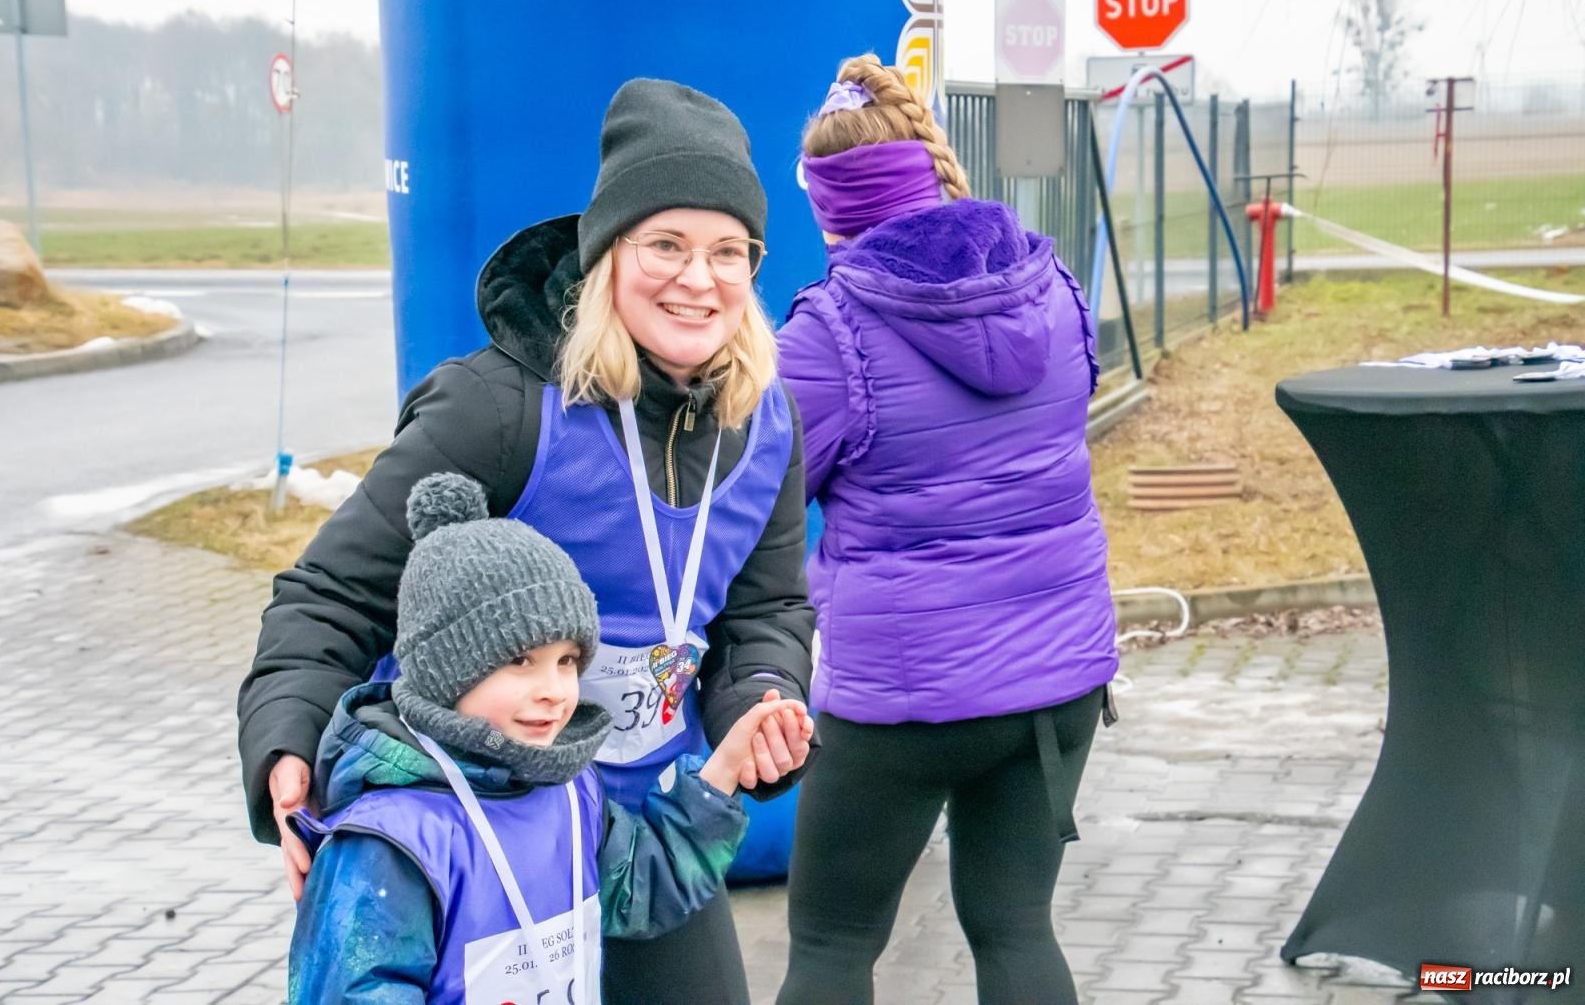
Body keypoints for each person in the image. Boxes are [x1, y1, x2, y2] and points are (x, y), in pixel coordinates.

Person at [239, 77, 815, 1004]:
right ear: (607, 255)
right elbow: (333, 594)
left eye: (727, 251)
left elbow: (767, 607)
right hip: (486, 819)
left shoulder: (768, 421)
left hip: (648, 834)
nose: (697, 279)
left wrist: (763, 695)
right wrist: (286, 746)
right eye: (664, 244)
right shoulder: (499, 407)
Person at [773, 55, 1119, 1005]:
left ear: (829, 207)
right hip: (1059, 683)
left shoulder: (828, 333)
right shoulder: (1054, 288)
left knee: (834, 943)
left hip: (904, 696)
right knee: (1015, 928)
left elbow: (763, 495)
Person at [286, 473, 812, 1004]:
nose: (554, 691)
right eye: (520, 661)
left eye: (566, 662)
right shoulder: (391, 843)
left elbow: (638, 889)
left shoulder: (569, 789)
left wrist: (720, 775)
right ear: (448, 669)